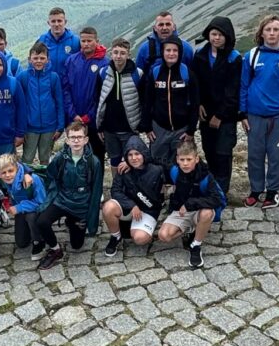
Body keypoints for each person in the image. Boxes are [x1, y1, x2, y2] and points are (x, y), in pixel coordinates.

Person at [239, 15, 279, 209]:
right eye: (268, 29)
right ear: (261, 33)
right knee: (255, 155)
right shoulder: (252, 56)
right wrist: (242, 114)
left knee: (276, 156)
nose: (272, 33)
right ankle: (256, 190)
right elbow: (243, 85)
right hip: (255, 116)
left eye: (276, 29)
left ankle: (273, 191)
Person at [33, 121, 104, 262]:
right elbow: (50, 176)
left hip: (80, 205)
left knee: (77, 245)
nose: (76, 140)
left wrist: (92, 221)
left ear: (86, 139)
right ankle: (55, 249)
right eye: (72, 137)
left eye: (79, 137)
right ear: (67, 140)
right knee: (41, 221)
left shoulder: (94, 162)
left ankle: (73, 222)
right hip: (62, 200)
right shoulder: (60, 158)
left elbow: (96, 192)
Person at [193, 16, 242, 195]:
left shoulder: (234, 58)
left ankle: (221, 193)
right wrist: (198, 104)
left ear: (228, 36)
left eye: (221, 35)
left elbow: (233, 90)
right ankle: (212, 187)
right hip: (205, 114)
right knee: (209, 151)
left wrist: (220, 115)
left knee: (223, 154)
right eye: (213, 34)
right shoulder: (200, 55)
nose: (216, 38)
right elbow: (195, 83)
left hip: (226, 117)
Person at [161, 139, 225, 269]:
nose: (185, 164)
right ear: (177, 159)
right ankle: (192, 229)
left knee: (207, 213)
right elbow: (155, 161)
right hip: (181, 211)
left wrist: (191, 203)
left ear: (196, 159)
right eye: (182, 160)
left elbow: (218, 199)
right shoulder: (174, 170)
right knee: (164, 236)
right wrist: (130, 163)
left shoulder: (206, 176)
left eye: (189, 159)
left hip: (199, 210)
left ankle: (196, 245)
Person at [139, 37, 198, 170]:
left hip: (182, 129)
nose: (171, 53)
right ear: (162, 52)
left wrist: (191, 130)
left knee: (182, 163)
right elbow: (147, 101)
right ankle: (159, 189)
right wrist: (147, 127)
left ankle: (179, 189)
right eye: (168, 50)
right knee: (157, 163)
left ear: (180, 52)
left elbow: (195, 103)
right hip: (159, 128)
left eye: (175, 50)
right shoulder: (155, 72)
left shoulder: (187, 73)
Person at [101, 136, 164, 254]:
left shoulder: (157, 170)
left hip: (148, 209)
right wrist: (132, 205)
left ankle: (137, 227)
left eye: (137, 154)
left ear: (144, 153)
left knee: (140, 239)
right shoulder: (123, 169)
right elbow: (115, 191)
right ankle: (116, 236)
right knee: (108, 207)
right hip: (129, 208)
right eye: (130, 155)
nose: (134, 158)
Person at [95, 37, 143, 170]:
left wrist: (141, 124)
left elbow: (143, 101)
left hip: (130, 128)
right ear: (111, 53)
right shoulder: (103, 73)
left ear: (129, 54)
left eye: (122, 53)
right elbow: (99, 100)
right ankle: (117, 187)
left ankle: (130, 189)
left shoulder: (137, 74)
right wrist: (99, 125)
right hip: (109, 128)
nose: (118, 56)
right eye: (115, 52)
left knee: (131, 160)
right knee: (114, 160)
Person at [62, 26, 108, 161]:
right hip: (74, 119)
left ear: (97, 41)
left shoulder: (105, 63)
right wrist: (73, 114)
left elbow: (103, 95)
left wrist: (90, 116)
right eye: (83, 41)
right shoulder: (71, 61)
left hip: (94, 121)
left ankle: (96, 182)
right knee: (74, 155)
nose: (86, 44)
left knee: (96, 155)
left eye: (89, 41)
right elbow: (66, 89)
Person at [17, 42, 64, 166]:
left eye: (42, 58)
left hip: (49, 126)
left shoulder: (53, 78)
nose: (38, 61)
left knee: (45, 158)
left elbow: (59, 102)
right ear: (29, 59)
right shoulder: (23, 77)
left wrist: (60, 126)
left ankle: (44, 183)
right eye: (35, 58)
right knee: (27, 158)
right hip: (30, 126)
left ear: (48, 60)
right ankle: (26, 182)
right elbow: (17, 103)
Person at [0, 152, 48, 262]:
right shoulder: (4, 181)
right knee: (21, 243)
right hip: (21, 209)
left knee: (31, 217)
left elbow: (42, 203)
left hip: (37, 209)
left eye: (10, 171)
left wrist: (19, 208)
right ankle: (30, 230)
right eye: (3, 173)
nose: (7, 175)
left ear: (17, 169)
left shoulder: (33, 179)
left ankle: (39, 241)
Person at [38, 6, 80, 79]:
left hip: (68, 87)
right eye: (53, 21)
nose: (56, 24)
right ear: (48, 23)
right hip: (48, 86)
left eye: (59, 21)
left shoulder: (75, 41)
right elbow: (33, 62)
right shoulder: (42, 40)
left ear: (65, 22)